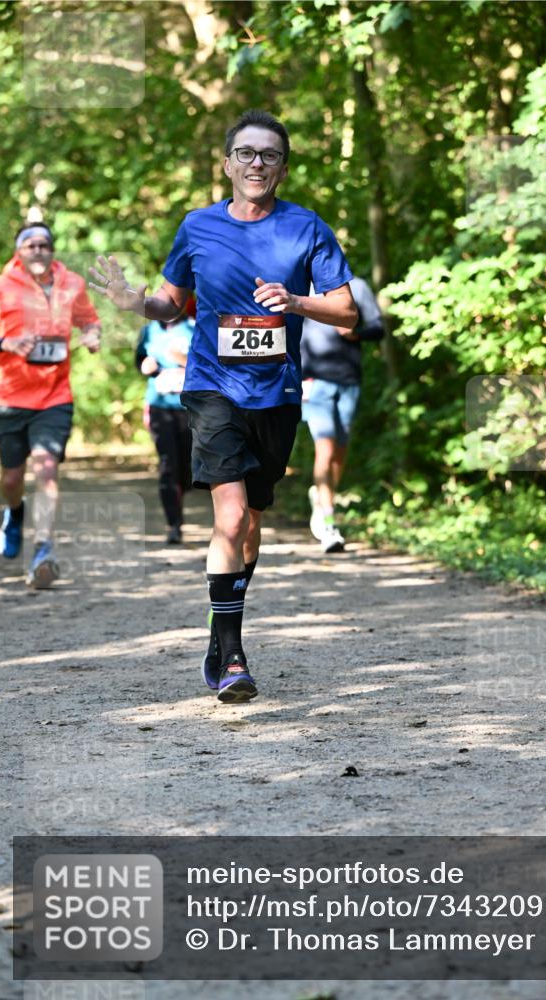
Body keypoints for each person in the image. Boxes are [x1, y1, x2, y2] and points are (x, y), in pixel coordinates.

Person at [89, 109, 357, 704]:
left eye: (270, 155)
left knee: (252, 524)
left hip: (277, 394)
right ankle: (233, 656)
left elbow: (346, 311)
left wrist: (295, 301)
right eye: (247, 153)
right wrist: (136, 303)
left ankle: (221, 621)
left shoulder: (307, 228)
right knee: (230, 519)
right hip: (212, 387)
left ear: (283, 168)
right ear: (228, 163)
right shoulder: (198, 226)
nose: (257, 163)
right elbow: (171, 302)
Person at [0, 222, 101, 588]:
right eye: (31, 245)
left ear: (52, 249)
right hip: (9, 397)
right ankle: (14, 511)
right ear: (19, 251)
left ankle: (43, 548)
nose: (38, 250)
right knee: (11, 478)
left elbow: (89, 320)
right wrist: (5, 343)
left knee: (47, 468)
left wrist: (92, 334)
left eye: (44, 244)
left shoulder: (73, 284)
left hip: (55, 396)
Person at [301, 275, 384, 552]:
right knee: (324, 449)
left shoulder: (356, 287)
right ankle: (328, 524)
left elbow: (378, 328)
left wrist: (355, 333)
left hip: (349, 381)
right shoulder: (301, 286)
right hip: (314, 383)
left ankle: (321, 497)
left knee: (339, 452)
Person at [136, 316, 194, 544]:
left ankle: (181, 492)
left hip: (190, 408)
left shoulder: (194, 327)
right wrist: (146, 366)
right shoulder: (149, 331)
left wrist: (183, 361)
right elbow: (139, 361)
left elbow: (210, 364)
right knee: (168, 465)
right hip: (159, 407)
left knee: (187, 466)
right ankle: (174, 524)